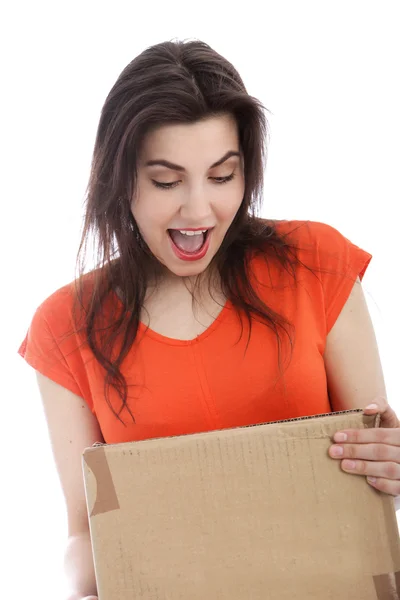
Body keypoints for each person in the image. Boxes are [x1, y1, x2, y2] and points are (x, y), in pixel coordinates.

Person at [18, 38, 399, 600]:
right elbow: (83, 534)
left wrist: (390, 461)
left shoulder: (316, 263)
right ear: (120, 180)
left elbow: (376, 469)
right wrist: (90, 580)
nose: (198, 211)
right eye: (167, 181)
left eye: (222, 176)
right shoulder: (65, 326)